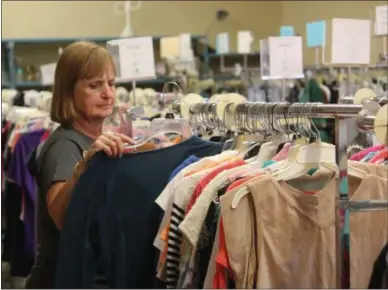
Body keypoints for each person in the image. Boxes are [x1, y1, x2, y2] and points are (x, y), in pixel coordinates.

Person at [25, 41, 134, 289]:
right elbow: (63, 218)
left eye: (111, 83)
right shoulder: (65, 147)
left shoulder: (92, 139)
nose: (108, 94)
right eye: (95, 86)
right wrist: (85, 165)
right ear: (68, 91)